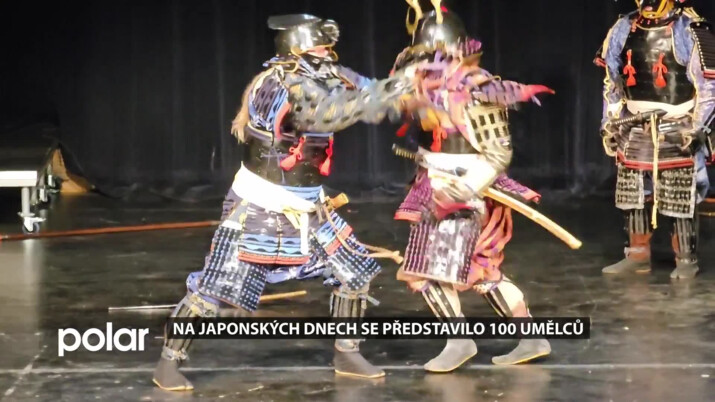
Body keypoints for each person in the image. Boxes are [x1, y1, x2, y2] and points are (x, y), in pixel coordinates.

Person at [152, 14, 416, 391]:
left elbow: (366, 90)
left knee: (352, 272)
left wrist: (411, 82)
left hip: (308, 205)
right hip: (260, 207)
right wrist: (392, 90)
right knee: (214, 289)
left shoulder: (325, 75)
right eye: (319, 50)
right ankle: (168, 362)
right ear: (297, 51)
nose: (327, 56)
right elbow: (329, 112)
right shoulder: (277, 85)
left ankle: (347, 352)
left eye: (328, 50)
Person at [391, 5, 554, 372]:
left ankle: (459, 341)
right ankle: (531, 338)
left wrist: (462, 190)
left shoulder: (476, 89)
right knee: (480, 272)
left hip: (464, 191)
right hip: (437, 183)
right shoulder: (426, 87)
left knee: (424, 271)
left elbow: (498, 153)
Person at [595, 0, 714, 279]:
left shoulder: (689, 28)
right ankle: (637, 255)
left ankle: (686, 259)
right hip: (633, 126)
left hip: (677, 126)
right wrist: (609, 122)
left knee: (680, 196)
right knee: (633, 195)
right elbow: (612, 82)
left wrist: (698, 128)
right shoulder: (623, 27)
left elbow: (708, 87)